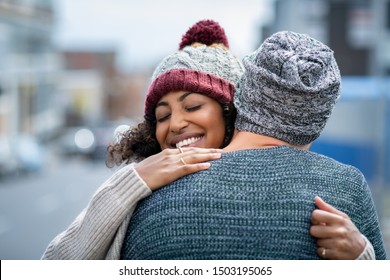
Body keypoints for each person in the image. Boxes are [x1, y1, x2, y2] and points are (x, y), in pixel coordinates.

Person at [42, 21, 376, 260]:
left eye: (193, 106)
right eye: (161, 116)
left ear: (233, 108)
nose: (175, 124)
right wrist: (133, 181)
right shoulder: (144, 191)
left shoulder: (156, 202)